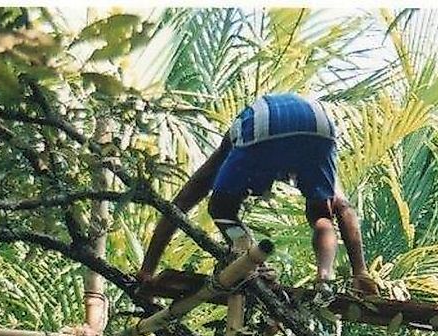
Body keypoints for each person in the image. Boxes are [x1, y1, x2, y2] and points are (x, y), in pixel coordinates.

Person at [136, 92, 371, 297]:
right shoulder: (308, 157)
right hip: (321, 127)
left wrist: (147, 269)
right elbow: (344, 208)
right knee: (323, 215)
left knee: (220, 207)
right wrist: (360, 270)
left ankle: (248, 254)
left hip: (264, 126)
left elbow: (181, 203)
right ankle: (325, 279)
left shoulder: (229, 146)